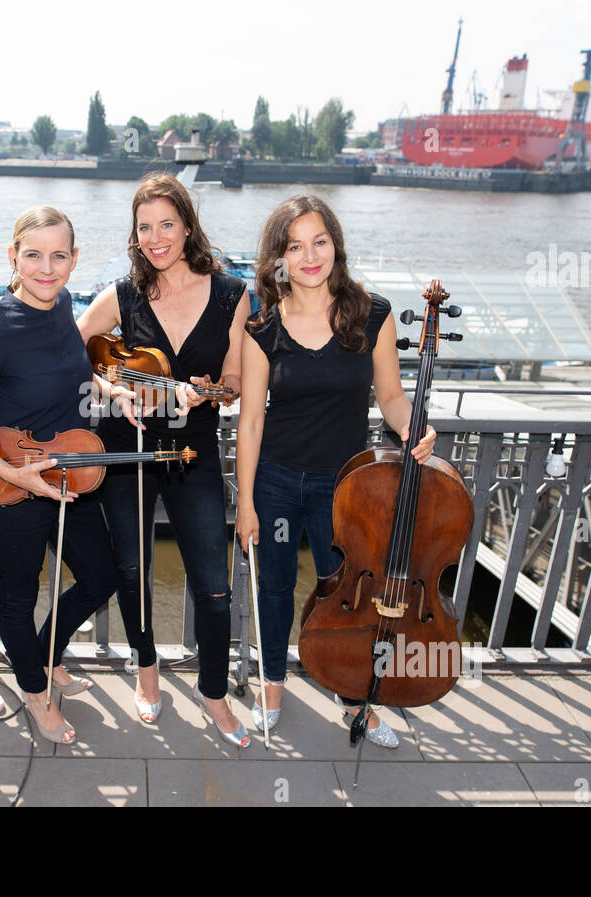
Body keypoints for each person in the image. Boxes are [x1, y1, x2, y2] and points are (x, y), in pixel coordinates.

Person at [235, 194, 436, 748]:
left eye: (319, 241)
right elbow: (250, 421)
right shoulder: (262, 328)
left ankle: (357, 702)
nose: (309, 256)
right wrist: (247, 503)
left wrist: (413, 428)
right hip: (275, 478)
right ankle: (272, 688)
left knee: (346, 594)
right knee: (274, 590)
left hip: (346, 487)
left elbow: (393, 398)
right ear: (278, 258)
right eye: (294, 246)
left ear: (335, 244)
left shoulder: (373, 315)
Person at [0, 205, 125, 746]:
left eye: (58, 256)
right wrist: (13, 474)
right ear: (12, 256)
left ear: (73, 260)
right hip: (12, 490)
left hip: (71, 477)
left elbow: (74, 371)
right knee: (18, 599)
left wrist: (108, 388)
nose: (47, 268)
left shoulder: (63, 303)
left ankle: (45, 654)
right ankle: (36, 695)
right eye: (34, 255)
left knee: (100, 577)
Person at [77, 174, 251, 747]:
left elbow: (235, 382)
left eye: (166, 225)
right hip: (127, 449)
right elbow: (78, 352)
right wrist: (113, 389)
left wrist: (211, 394)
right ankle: (146, 672)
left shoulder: (230, 293)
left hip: (194, 449)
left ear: (187, 225)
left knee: (213, 584)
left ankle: (214, 694)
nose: (156, 238)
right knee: (132, 569)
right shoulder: (123, 294)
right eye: (144, 227)